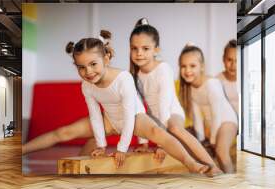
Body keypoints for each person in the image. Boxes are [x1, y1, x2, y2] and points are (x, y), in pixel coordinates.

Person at [22, 30, 209, 174]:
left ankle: (191, 163)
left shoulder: (123, 78)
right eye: (81, 67)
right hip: (108, 120)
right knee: (63, 132)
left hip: (135, 118)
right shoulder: (87, 86)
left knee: (157, 131)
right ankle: (22, 150)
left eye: (93, 64)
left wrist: (121, 148)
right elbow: (95, 116)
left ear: (106, 58)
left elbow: (128, 116)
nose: (88, 72)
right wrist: (102, 144)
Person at [129, 18, 222, 176]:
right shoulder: (134, 75)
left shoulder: (163, 69)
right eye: (134, 48)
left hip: (171, 113)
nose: (139, 53)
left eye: (145, 48)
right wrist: (144, 143)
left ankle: (213, 165)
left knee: (175, 128)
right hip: (153, 121)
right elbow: (138, 111)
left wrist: (162, 143)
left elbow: (164, 108)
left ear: (156, 50)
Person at [178, 43, 238, 173]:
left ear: (202, 67)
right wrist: (200, 140)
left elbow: (217, 114)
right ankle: (218, 176)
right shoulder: (191, 88)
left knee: (221, 151)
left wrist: (212, 139)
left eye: (192, 66)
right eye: (184, 66)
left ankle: (232, 182)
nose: (187, 70)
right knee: (198, 148)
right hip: (211, 124)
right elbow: (197, 116)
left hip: (227, 120)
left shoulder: (211, 84)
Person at [217, 39, 238, 114]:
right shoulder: (217, 82)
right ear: (223, 59)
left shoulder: (246, 80)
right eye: (229, 60)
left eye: (237, 61)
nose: (233, 65)